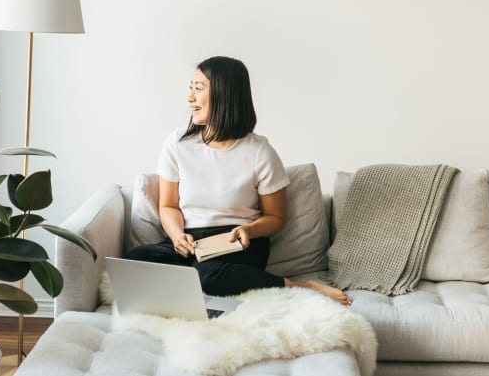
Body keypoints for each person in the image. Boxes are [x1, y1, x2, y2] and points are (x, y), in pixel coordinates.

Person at [125, 56, 351, 306]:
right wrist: (178, 237)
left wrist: (249, 230)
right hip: (190, 242)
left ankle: (297, 286)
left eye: (198, 89)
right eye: (191, 87)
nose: (190, 97)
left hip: (238, 243)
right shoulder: (177, 144)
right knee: (137, 258)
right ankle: (192, 279)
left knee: (207, 275)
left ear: (224, 95)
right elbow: (168, 205)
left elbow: (275, 217)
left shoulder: (260, 152)